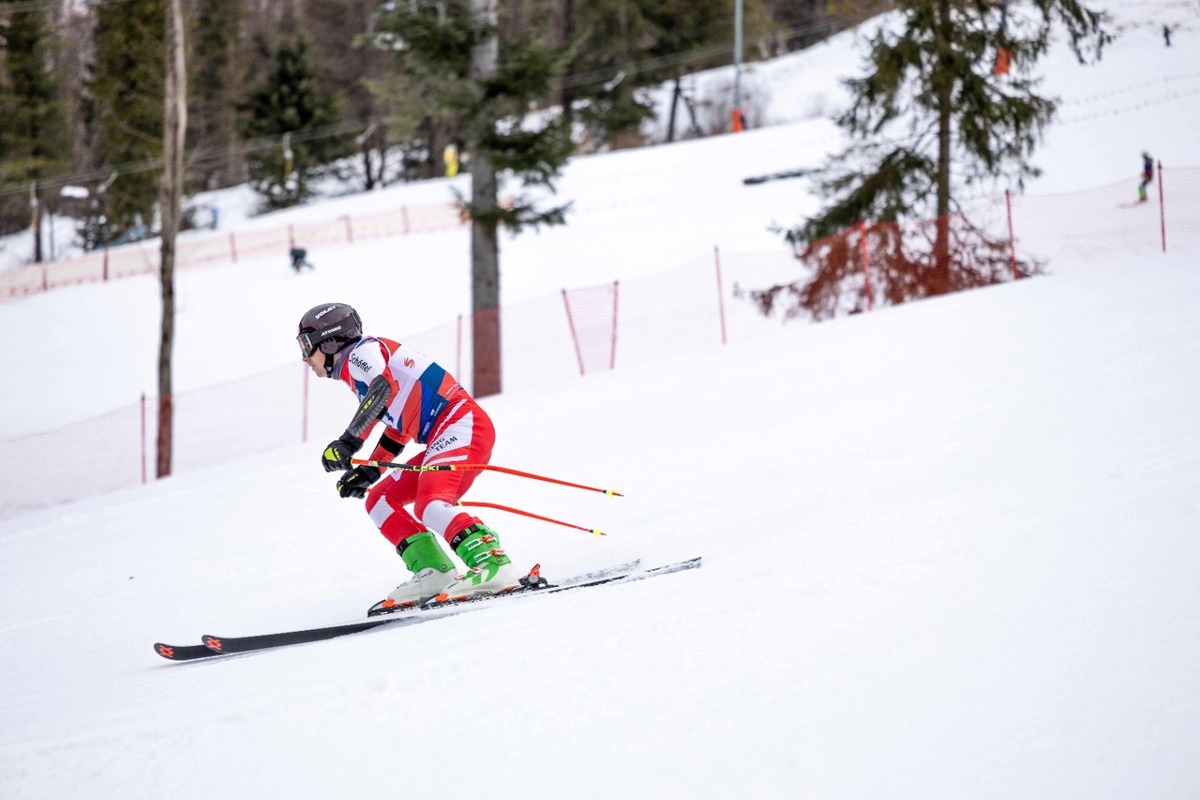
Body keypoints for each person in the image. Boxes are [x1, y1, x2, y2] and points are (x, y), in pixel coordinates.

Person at [297, 302, 520, 608]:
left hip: (462, 424)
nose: (305, 358)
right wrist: (371, 471)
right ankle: (434, 572)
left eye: (306, 346)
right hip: (448, 432)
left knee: (431, 503)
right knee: (380, 500)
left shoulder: (362, 352)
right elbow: (398, 425)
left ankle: (493, 564)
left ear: (329, 342)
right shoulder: (358, 369)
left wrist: (348, 442)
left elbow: (382, 389)